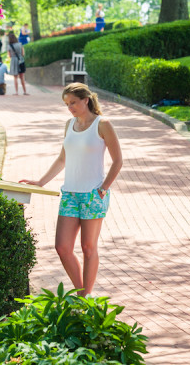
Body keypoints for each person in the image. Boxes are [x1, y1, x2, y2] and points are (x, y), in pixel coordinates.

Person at [20, 83, 122, 297]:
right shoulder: (69, 125)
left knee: (88, 247)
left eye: (73, 102)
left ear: (86, 99)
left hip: (93, 194)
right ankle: (82, 293)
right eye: (67, 104)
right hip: (70, 194)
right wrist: (40, 182)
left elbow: (117, 161)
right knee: (63, 247)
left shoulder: (102, 124)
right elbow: (62, 158)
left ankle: (83, 298)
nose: (70, 108)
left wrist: (103, 189)